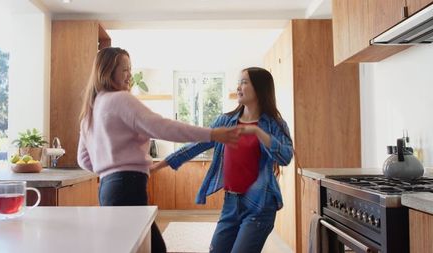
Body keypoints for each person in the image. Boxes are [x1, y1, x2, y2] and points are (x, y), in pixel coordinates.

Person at [76, 47, 242, 253]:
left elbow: (83, 159)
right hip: (127, 186)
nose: (129, 75)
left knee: (139, 247)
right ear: (107, 71)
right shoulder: (120, 99)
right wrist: (212, 134)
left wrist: (109, 166)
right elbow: (162, 127)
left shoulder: (91, 109)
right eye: (124, 70)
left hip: (108, 189)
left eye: (130, 69)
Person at [152, 67, 293, 253]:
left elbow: (285, 157)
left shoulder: (274, 124)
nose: (238, 87)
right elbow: (196, 145)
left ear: (259, 88)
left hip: (260, 206)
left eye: (244, 82)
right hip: (231, 203)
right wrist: (157, 166)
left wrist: (259, 133)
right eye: (238, 82)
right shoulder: (226, 121)